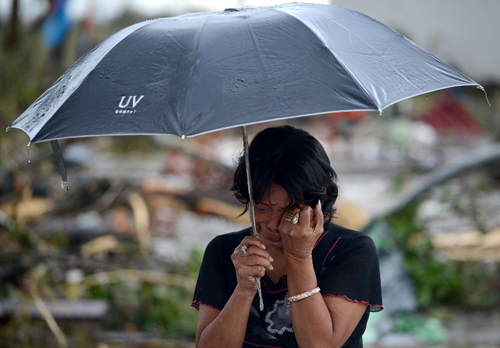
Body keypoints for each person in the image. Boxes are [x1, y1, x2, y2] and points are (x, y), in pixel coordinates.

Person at [192, 125, 383, 348]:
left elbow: (320, 345)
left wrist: (299, 256)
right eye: (263, 208)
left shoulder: (350, 250)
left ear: (318, 197)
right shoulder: (225, 251)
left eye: (289, 211)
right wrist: (243, 290)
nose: (274, 225)